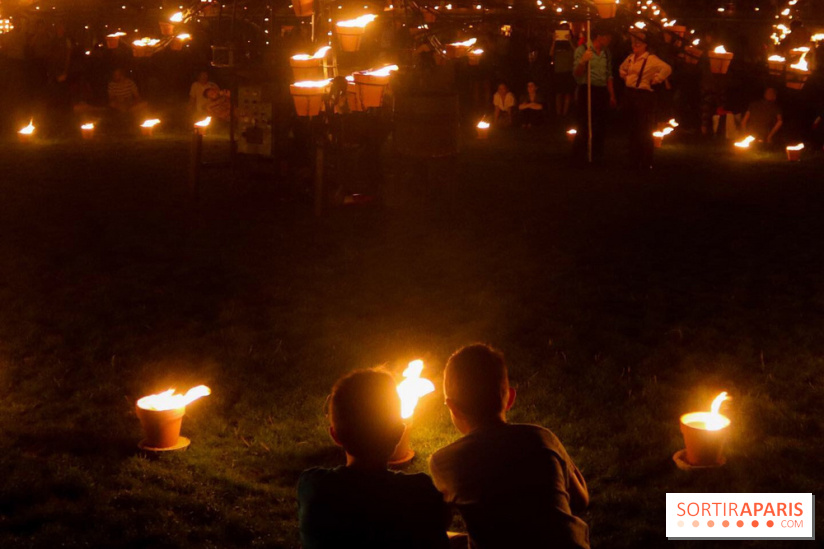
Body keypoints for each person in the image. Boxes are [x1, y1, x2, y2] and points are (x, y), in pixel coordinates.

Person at [430, 344, 590, 549]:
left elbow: (438, 523)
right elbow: (581, 500)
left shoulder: (445, 461)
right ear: (510, 398)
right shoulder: (541, 437)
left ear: (452, 407)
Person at [298, 368, 450, 549]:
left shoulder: (313, 486)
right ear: (400, 432)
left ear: (335, 435)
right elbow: (441, 523)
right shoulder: (420, 491)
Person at [619, 33, 672, 169]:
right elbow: (621, 68)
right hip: (630, 94)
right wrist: (624, 76)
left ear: (645, 45)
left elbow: (667, 68)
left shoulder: (651, 59)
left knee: (644, 129)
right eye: (633, 43)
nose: (635, 46)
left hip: (644, 96)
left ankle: (646, 160)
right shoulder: (631, 58)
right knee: (633, 128)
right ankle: (633, 157)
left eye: (639, 43)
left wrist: (657, 79)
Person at [572, 25, 616, 163]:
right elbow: (576, 74)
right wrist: (583, 61)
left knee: (600, 123)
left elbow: (609, 74)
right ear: (600, 37)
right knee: (584, 123)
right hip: (587, 88)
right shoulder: (582, 50)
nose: (609, 40)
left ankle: (597, 154)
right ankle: (581, 154)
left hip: (601, 91)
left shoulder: (606, 52)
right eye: (608, 37)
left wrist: (612, 95)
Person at [550, 24, 576, 118]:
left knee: (567, 93)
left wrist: (570, 41)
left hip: (568, 70)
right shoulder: (557, 43)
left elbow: (577, 52)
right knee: (559, 93)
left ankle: (564, 114)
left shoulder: (572, 41)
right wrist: (554, 41)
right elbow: (551, 54)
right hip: (559, 70)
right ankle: (558, 114)